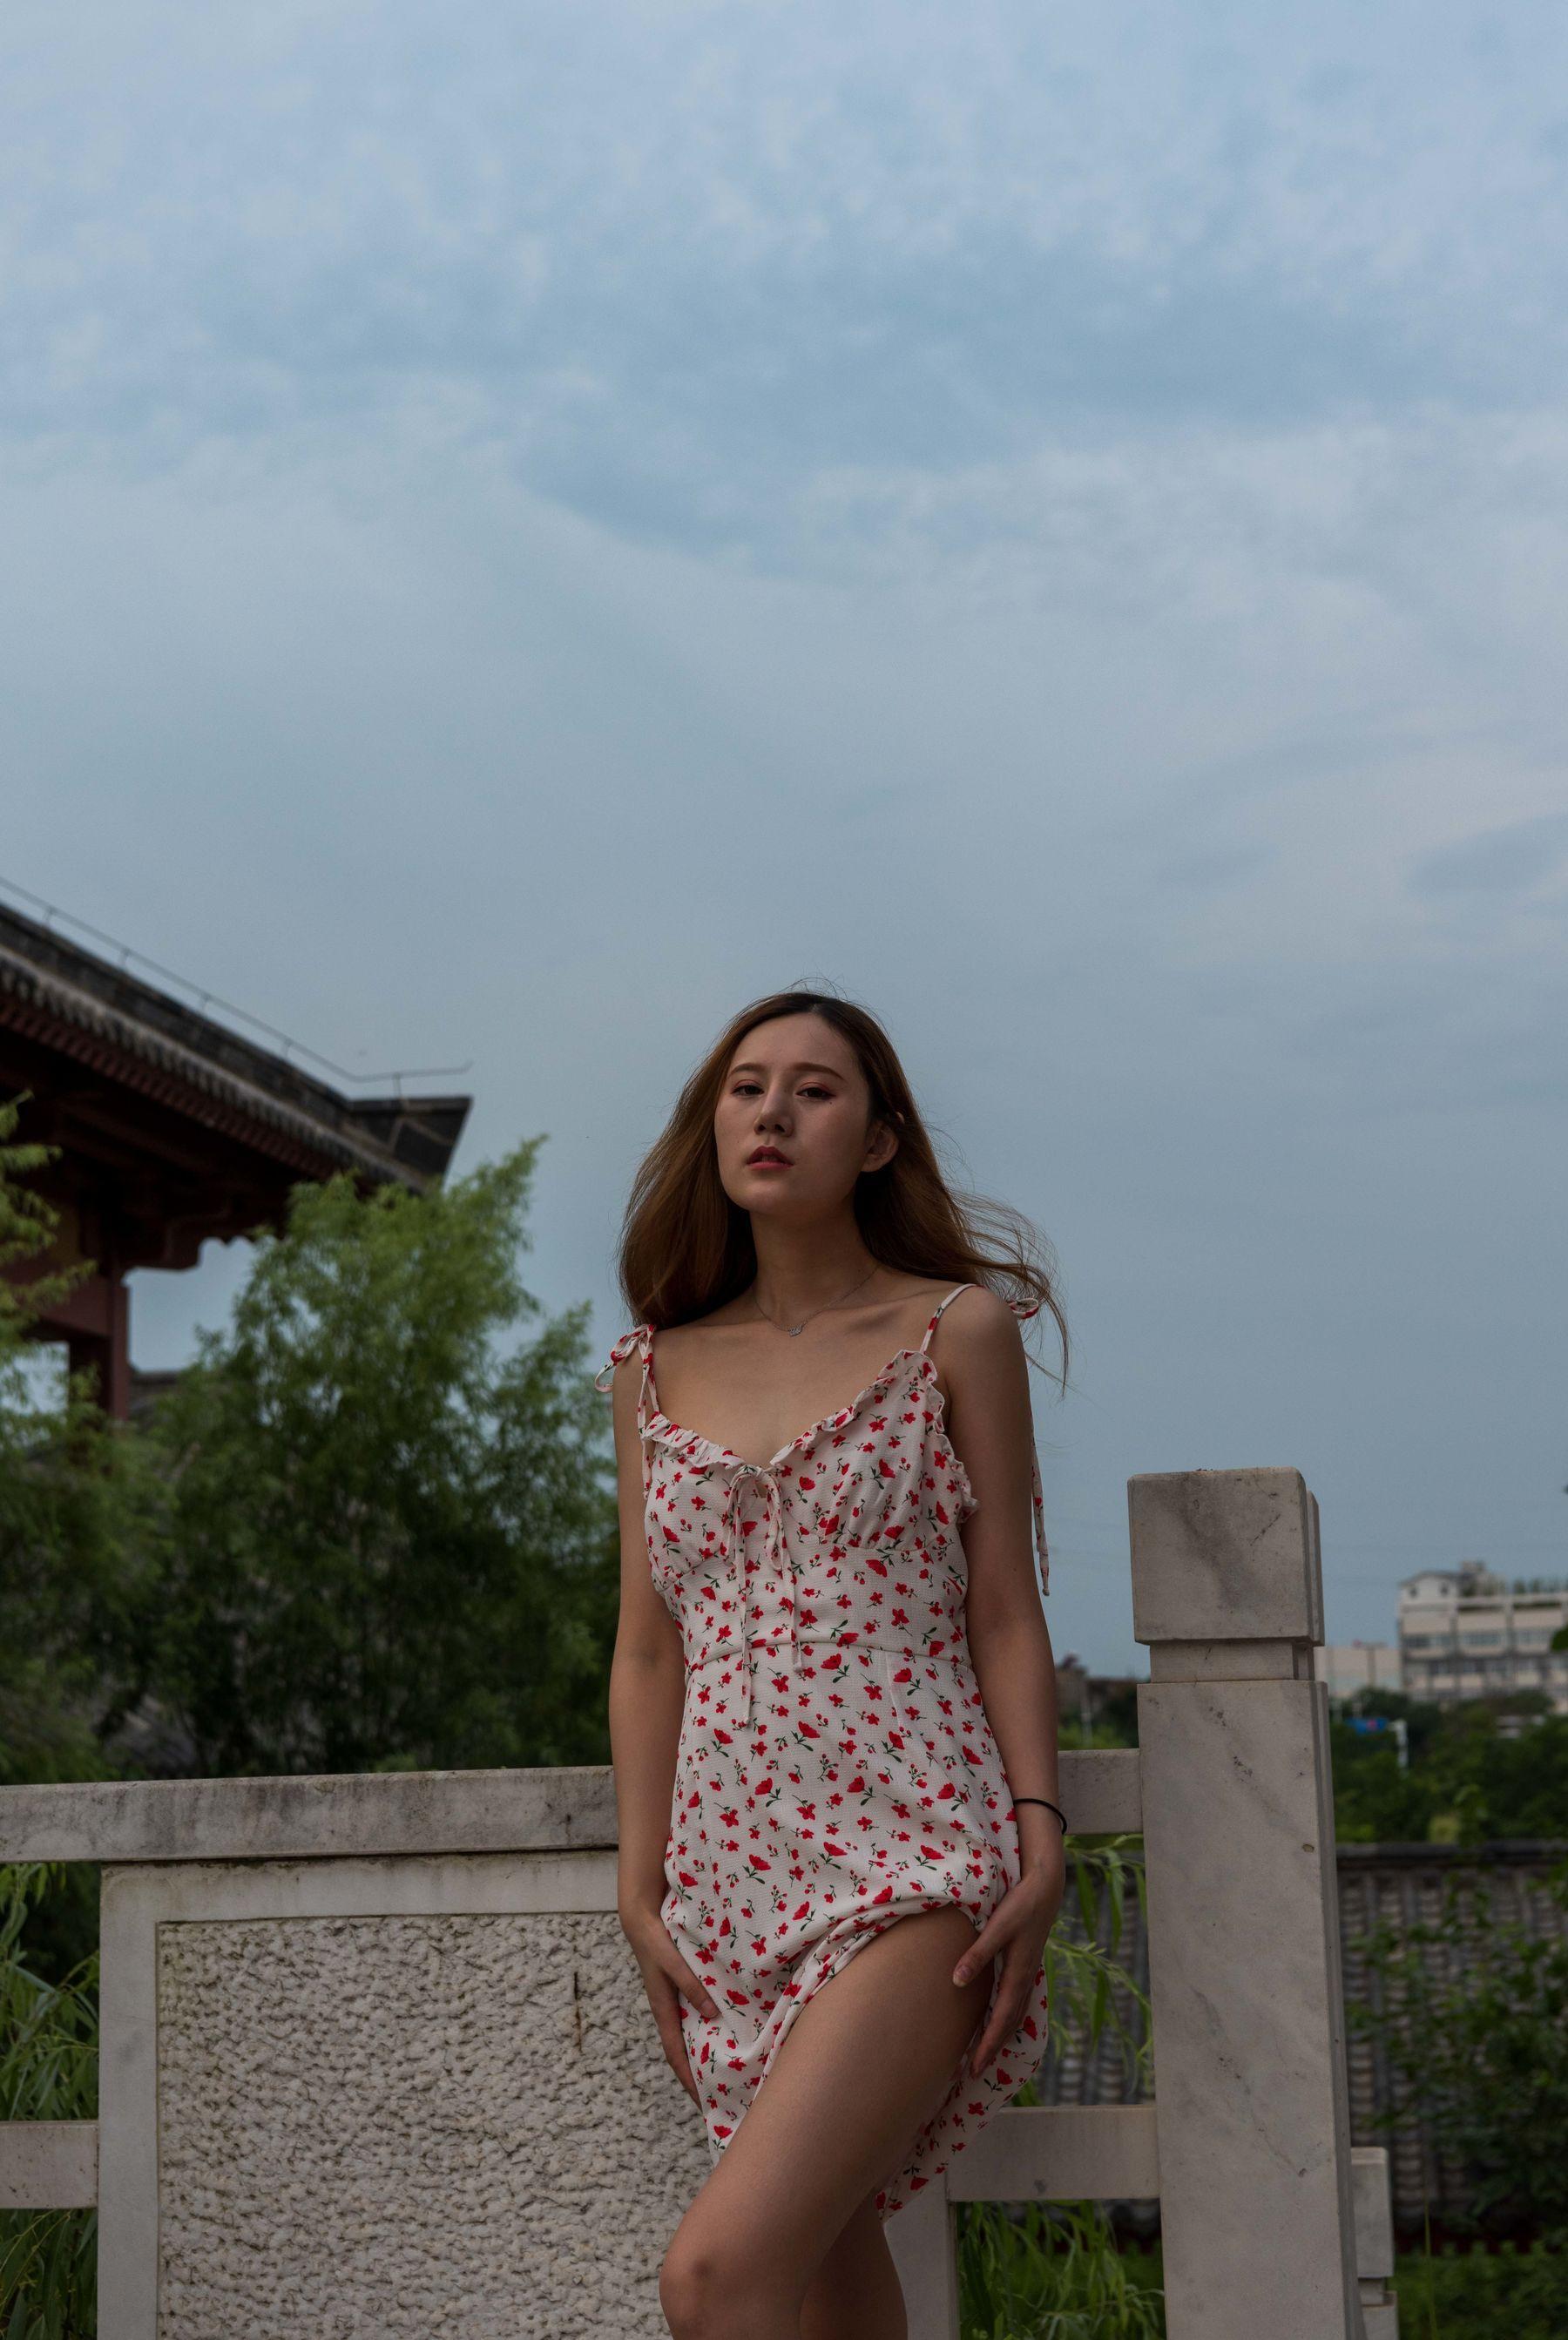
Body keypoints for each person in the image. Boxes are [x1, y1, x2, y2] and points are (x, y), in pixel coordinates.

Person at [595, 988, 1068, 2340]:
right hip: (727, 1885)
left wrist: (1039, 1828)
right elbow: (648, 1645)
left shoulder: (955, 1331)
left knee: (715, 2277)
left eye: (814, 1089)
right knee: (823, 2299)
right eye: (747, 1087)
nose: (773, 1113)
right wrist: (641, 1883)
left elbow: (1005, 1609)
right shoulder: (650, 1367)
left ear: (876, 1139)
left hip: (913, 1860)